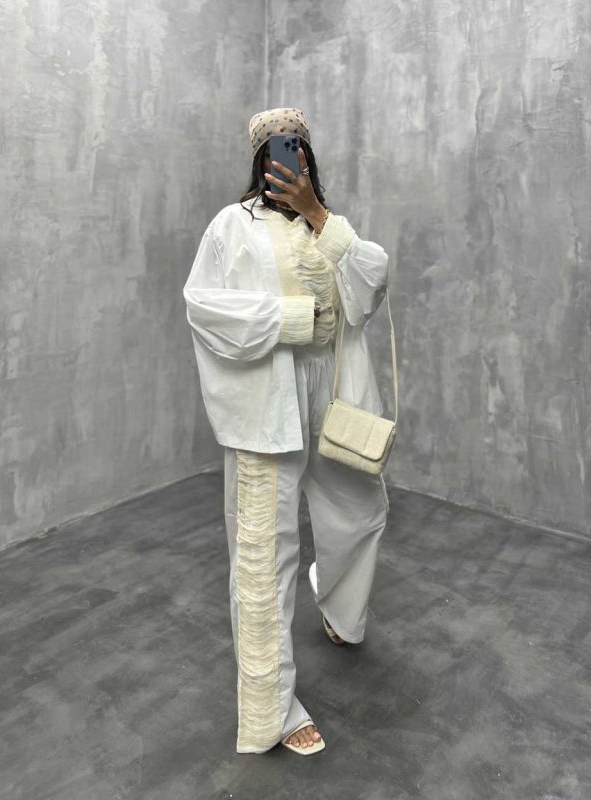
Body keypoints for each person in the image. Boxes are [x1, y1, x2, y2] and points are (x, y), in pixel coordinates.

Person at [182, 107, 391, 755]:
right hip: (267, 398)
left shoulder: (324, 225)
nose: (289, 153)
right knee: (264, 548)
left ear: (309, 157)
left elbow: (372, 284)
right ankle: (271, 712)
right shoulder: (232, 225)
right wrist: (294, 319)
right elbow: (204, 308)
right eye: (278, 146)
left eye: (298, 145)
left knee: (361, 511)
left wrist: (318, 214)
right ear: (260, 158)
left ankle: (339, 606)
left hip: (332, 394)